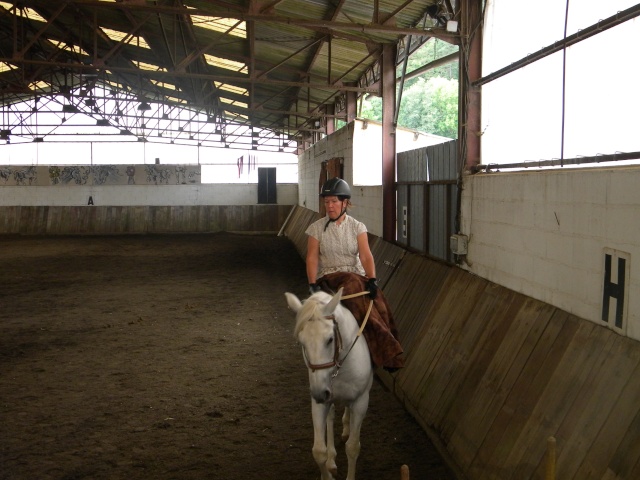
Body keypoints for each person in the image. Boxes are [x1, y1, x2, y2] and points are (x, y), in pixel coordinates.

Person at [305, 177, 404, 371]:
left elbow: (366, 256)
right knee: (349, 284)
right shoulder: (316, 229)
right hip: (330, 277)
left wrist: (373, 279)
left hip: (356, 276)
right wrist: (312, 283)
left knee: (381, 303)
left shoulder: (358, 227)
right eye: (327, 202)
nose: (330, 206)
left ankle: (389, 348)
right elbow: (312, 258)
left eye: (334, 201)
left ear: (345, 203)